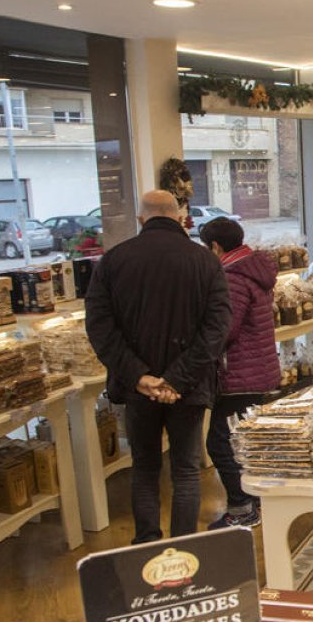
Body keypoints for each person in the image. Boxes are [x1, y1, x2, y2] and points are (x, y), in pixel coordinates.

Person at [85, 190, 232, 544]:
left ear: (141, 219)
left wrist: (139, 377)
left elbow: (100, 327)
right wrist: (177, 379)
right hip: (190, 385)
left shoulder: (114, 261)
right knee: (185, 471)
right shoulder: (205, 261)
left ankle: (147, 546)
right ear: (181, 218)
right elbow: (217, 327)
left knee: (145, 468)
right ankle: (185, 547)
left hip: (138, 390)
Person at [198, 217, 282, 529]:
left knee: (220, 442)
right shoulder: (254, 268)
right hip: (258, 367)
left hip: (239, 372)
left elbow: (227, 328)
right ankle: (257, 499)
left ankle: (242, 507)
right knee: (246, 440)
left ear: (216, 246)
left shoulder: (231, 276)